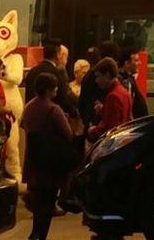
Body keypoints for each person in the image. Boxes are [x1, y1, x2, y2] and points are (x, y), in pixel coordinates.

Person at [21, 72, 76, 240]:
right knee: (47, 202)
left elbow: (23, 124)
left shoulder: (29, 106)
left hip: (33, 160)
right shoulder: (53, 109)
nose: (57, 90)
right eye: (55, 87)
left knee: (38, 202)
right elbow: (68, 134)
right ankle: (40, 235)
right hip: (50, 163)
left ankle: (35, 233)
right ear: (48, 90)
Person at [87, 58, 133, 140]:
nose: (96, 81)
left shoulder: (113, 96)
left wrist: (92, 131)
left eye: (98, 76)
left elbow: (110, 129)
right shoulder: (125, 92)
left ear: (107, 75)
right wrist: (103, 110)